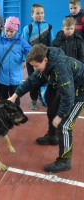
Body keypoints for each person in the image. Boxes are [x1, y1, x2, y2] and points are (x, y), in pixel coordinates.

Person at [8, 43, 84, 173]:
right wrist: (14, 96)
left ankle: (65, 161)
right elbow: (32, 81)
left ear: (45, 60)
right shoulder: (46, 65)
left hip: (79, 92)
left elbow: (68, 97)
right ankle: (53, 136)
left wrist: (60, 117)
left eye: (36, 66)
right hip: (68, 88)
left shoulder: (60, 69)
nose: (35, 68)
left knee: (65, 125)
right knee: (52, 110)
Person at [0, 16, 31, 106]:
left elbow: (30, 52)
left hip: (15, 78)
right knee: (3, 100)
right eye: (7, 30)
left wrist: (32, 59)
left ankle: (14, 119)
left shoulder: (21, 41)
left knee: (15, 101)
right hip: (2, 78)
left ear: (16, 31)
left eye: (11, 31)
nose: (8, 33)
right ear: (4, 28)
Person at [22, 3, 54, 110]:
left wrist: (50, 58)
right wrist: (24, 59)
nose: (40, 15)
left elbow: (51, 44)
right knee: (33, 80)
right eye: (37, 13)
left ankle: (43, 97)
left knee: (45, 80)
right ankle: (34, 99)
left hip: (44, 60)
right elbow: (24, 45)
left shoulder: (48, 27)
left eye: (41, 13)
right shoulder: (28, 28)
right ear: (32, 15)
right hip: (32, 61)